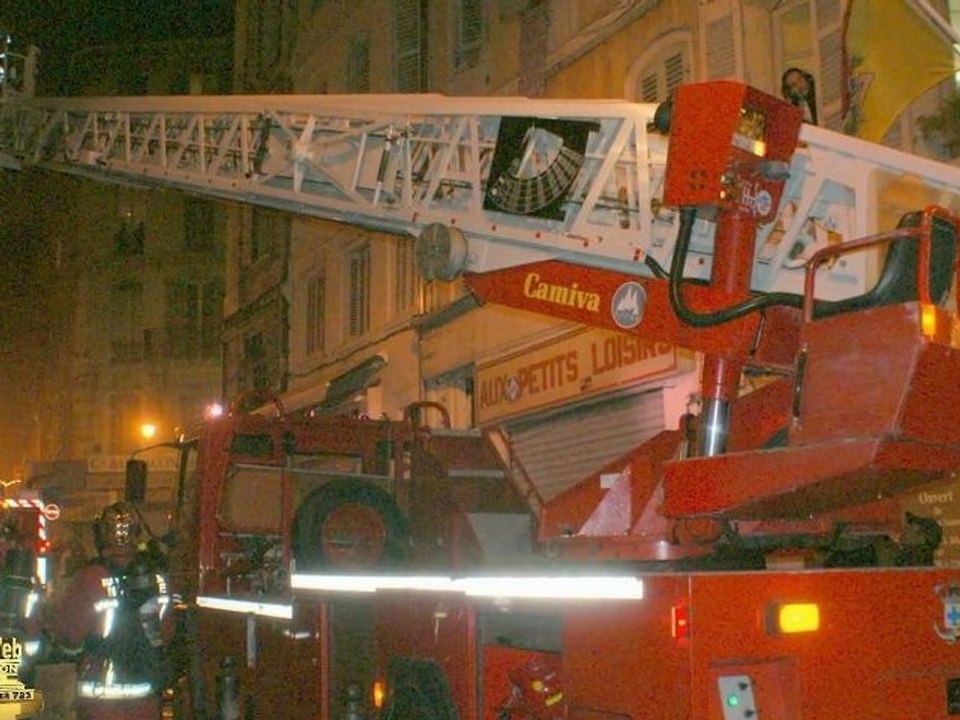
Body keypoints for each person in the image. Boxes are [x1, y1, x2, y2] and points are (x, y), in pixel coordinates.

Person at [47, 502, 172, 720]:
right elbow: (167, 633)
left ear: (103, 534)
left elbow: (70, 637)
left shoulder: (89, 578)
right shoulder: (158, 579)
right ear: (136, 533)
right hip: (146, 692)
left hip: (101, 697)